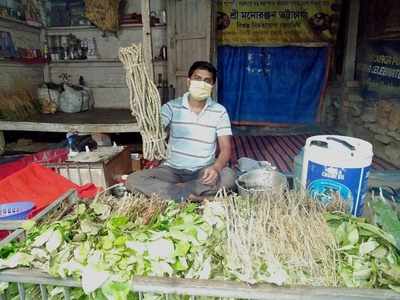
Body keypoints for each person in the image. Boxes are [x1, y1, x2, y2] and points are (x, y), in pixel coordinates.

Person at [126, 61, 235, 202]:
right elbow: (155, 127)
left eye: (207, 81)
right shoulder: (172, 107)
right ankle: (194, 196)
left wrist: (215, 168)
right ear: (189, 81)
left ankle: (175, 192)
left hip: (202, 171)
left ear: (212, 86)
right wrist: (145, 113)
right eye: (197, 78)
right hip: (171, 170)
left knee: (229, 176)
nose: (201, 83)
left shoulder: (219, 111)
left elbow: (226, 149)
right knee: (133, 179)